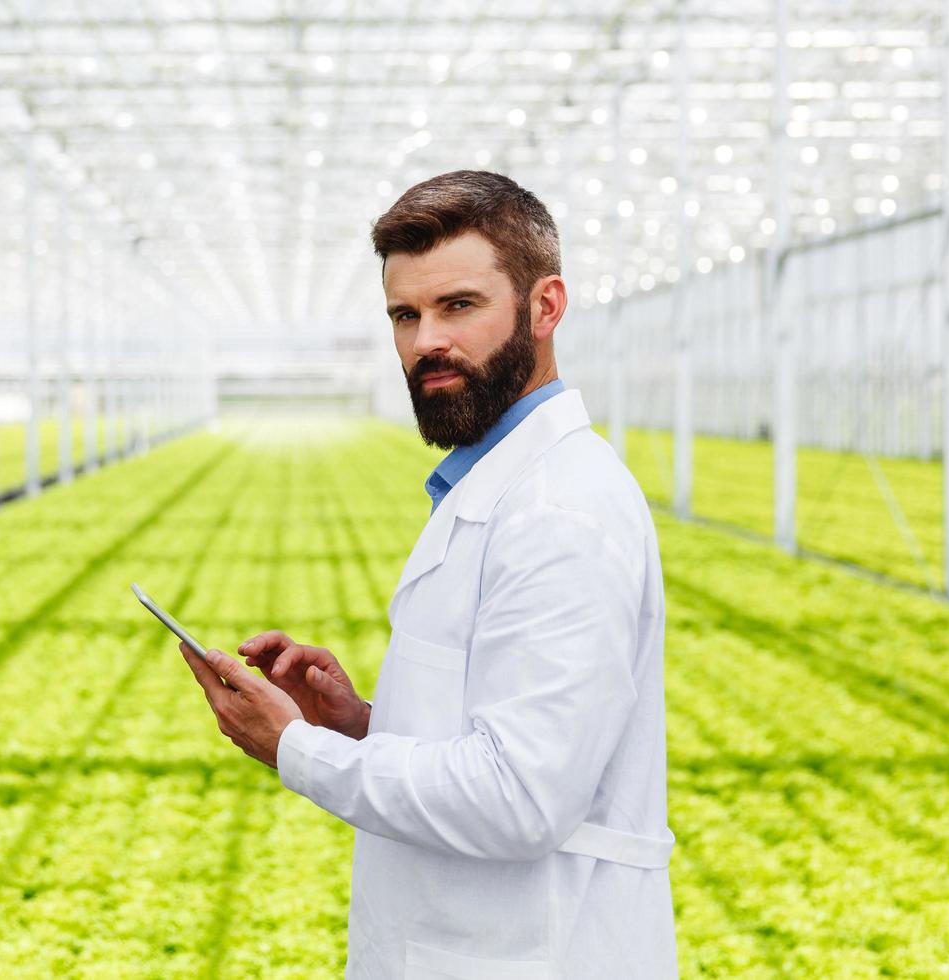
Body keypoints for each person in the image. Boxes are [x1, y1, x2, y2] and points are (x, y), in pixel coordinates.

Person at [180, 170, 677, 978]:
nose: (424, 343)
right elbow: (500, 735)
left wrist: (298, 748)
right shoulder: (495, 485)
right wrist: (359, 724)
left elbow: (521, 797)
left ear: (545, 306)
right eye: (404, 315)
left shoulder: (562, 511)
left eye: (458, 306)